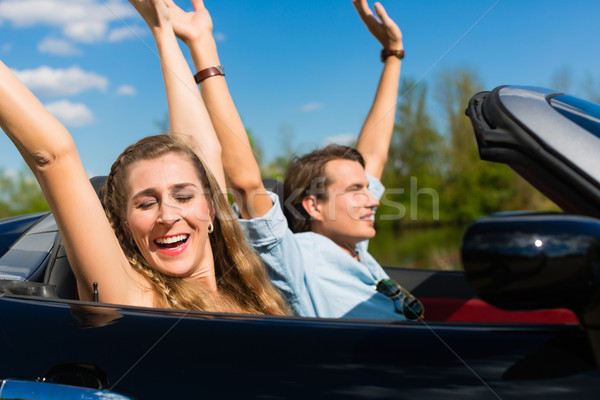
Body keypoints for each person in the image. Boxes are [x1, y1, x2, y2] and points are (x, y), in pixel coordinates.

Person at [0, 0, 289, 315]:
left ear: (209, 208)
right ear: (125, 225)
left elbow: (200, 149)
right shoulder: (133, 299)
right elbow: (53, 156)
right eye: (146, 203)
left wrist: (162, 29)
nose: (167, 216)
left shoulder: (250, 288)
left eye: (183, 195)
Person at [167, 0, 422, 319]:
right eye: (357, 190)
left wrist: (393, 54)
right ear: (313, 206)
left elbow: (375, 152)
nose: (373, 199)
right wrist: (201, 46)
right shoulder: (299, 261)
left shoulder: (353, 249)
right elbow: (246, 184)